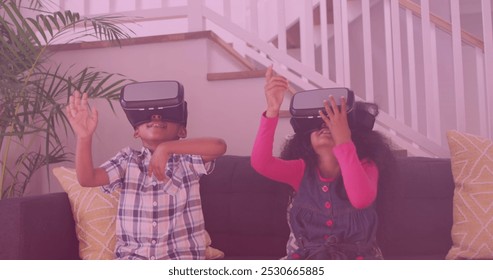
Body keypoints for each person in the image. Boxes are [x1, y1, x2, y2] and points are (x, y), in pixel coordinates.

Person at [251, 66, 395, 259]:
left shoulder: (366, 166)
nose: (325, 126)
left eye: (333, 124)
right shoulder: (301, 171)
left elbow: (360, 199)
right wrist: (272, 110)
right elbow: (261, 163)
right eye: (317, 125)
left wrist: (343, 141)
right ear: (305, 140)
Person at [66, 88, 227, 260]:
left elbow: (219, 146)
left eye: (165, 114)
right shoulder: (126, 160)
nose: (156, 117)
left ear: (182, 131)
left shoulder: (187, 161)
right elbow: (87, 179)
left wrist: (166, 148)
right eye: (147, 116)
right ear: (136, 132)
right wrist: (84, 137)